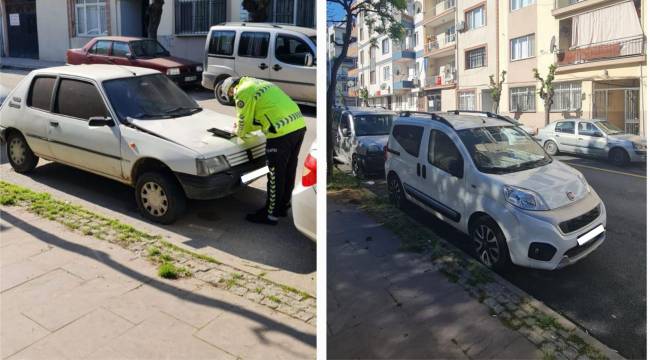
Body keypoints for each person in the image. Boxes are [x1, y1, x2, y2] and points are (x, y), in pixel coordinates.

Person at [221, 76, 307, 225]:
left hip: (281, 133)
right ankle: (282, 207)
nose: (232, 98)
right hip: (298, 126)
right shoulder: (256, 83)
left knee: (275, 175)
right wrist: (246, 128)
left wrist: (237, 132)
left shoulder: (241, 91)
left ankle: (270, 215)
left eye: (230, 95)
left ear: (231, 88)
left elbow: (243, 120)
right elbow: (262, 118)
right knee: (288, 170)